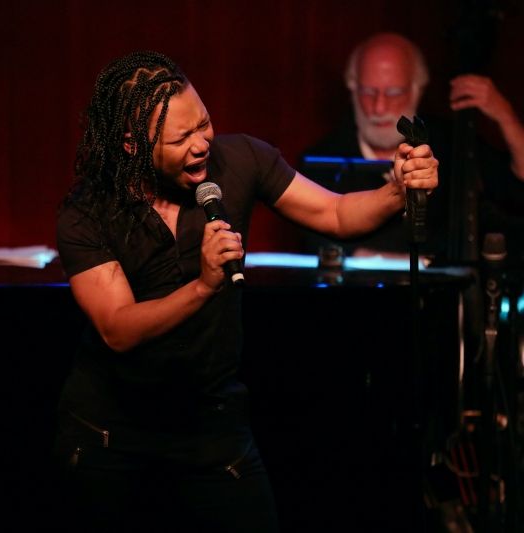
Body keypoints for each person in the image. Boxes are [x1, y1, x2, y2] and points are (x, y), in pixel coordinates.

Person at [53, 50, 438, 533]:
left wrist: (396, 191)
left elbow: (335, 214)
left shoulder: (241, 161)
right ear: (132, 144)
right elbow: (118, 328)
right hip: (111, 438)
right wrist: (203, 287)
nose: (202, 143)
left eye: (204, 124)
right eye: (182, 138)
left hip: (211, 428)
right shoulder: (87, 211)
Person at [300, 32, 524, 263]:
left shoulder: (452, 144)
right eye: (368, 92)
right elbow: (317, 242)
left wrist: (505, 115)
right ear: (352, 89)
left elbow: (518, 187)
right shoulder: (322, 159)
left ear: (417, 89)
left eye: (393, 93)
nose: (379, 107)